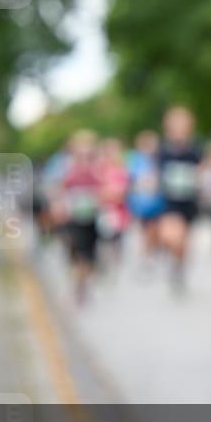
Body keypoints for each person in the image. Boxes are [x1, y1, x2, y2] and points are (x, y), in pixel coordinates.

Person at [157, 106, 204, 295]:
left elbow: (203, 168)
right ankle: (172, 259)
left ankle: (178, 268)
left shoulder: (195, 147)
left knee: (183, 242)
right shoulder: (163, 148)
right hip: (169, 200)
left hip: (189, 200)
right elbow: (156, 171)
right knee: (171, 237)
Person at [60, 130, 103, 306]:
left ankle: (83, 284)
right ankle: (79, 285)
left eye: (88, 155)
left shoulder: (97, 172)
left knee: (89, 258)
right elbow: (59, 192)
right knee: (77, 255)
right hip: (73, 221)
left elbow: (106, 192)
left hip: (92, 221)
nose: (84, 159)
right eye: (80, 155)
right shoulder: (68, 172)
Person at [126, 129, 166, 271]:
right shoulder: (135, 159)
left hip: (158, 201)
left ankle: (152, 251)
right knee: (147, 229)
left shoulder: (159, 159)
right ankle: (147, 254)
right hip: (142, 202)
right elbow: (130, 180)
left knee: (156, 228)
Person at [96, 137, 132, 276]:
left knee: (117, 239)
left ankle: (114, 265)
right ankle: (106, 264)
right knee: (105, 239)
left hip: (119, 212)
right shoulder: (100, 169)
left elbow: (124, 191)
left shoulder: (123, 169)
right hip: (105, 211)